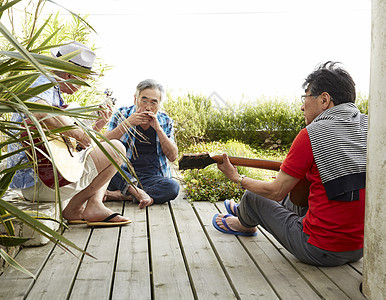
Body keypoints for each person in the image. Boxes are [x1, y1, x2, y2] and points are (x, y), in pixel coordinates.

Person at [213, 61, 367, 267]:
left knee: (253, 197)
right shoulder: (370, 126)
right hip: (360, 248)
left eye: (305, 97)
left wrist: (236, 177)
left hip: (319, 249)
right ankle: (245, 212)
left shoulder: (312, 134)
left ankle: (245, 222)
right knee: (298, 189)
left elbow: (276, 191)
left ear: (324, 100)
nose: (302, 106)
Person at [7, 41, 130, 226]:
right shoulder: (43, 84)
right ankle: (85, 206)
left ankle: (91, 205)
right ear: (69, 74)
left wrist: (98, 125)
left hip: (43, 180)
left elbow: (75, 150)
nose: (84, 84)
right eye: (83, 78)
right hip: (39, 183)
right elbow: (38, 110)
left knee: (108, 150)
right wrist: (78, 133)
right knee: (117, 148)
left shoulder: (54, 95)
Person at [103, 79, 180, 208]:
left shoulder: (165, 120)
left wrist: (158, 129)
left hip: (151, 177)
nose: (148, 107)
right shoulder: (122, 114)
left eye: (153, 102)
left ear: (159, 104)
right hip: (122, 174)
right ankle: (135, 192)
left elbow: (173, 156)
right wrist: (127, 123)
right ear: (135, 99)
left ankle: (121, 195)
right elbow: (102, 144)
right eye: (144, 101)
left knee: (173, 187)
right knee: (106, 164)